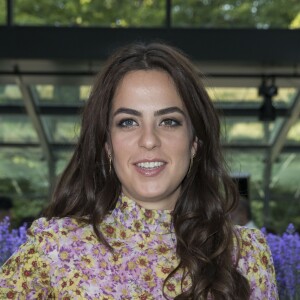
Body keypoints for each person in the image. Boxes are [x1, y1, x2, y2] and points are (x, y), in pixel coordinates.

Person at [0, 43, 278, 299]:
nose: (148, 140)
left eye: (169, 122)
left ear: (194, 143)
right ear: (107, 144)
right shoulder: (54, 251)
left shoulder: (245, 254)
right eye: (128, 122)